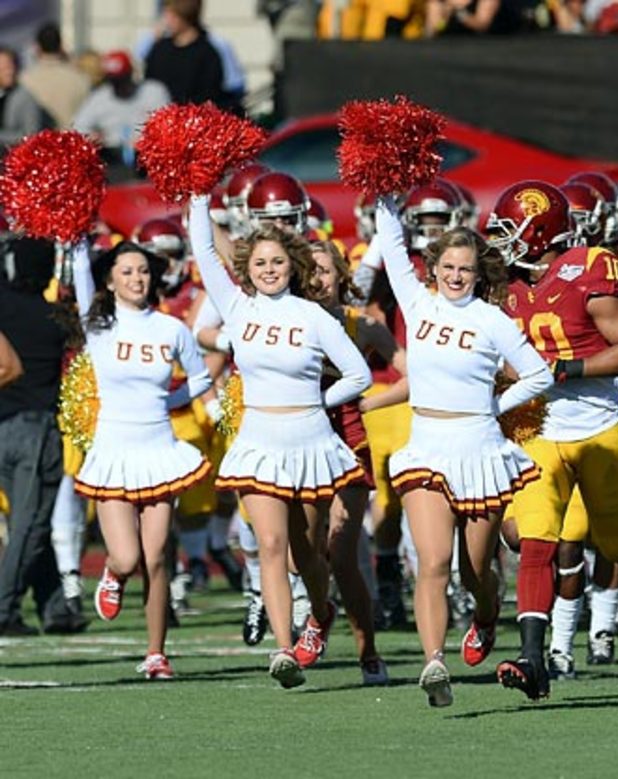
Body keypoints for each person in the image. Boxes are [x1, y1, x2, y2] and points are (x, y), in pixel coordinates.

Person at [486, 180, 618, 702]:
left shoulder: (588, 269)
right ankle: (534, 657)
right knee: (535, 541)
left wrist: (562, 368)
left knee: (617, 543)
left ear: (540, 232)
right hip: (537, 428)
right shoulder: (503, 285)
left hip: (596, 424)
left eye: (512, 231)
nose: (503, 243)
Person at [186, 193, 371, 689]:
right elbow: (204, 250)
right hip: (259, 442)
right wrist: (199, 194)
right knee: (268, 544)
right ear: (249, 267)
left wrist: (320, 402)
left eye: (278, 262)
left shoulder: (314, 317)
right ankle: (283, 647)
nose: (269, 270)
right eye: (261, 263)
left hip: (311, 443)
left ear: (293, 266)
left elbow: (359, 375)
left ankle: (321, 610)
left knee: (305, 551)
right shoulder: (237, 306)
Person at [374, 196, 551, 706]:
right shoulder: (417, 301)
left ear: (478, 273)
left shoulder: (492, 320)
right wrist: (387, 191)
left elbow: (538, 373)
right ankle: (434, 664)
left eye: (465, 269)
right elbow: (389, 245)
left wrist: (497, 404)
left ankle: (486, 615)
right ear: (433, 268)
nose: (455, 276)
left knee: (477, 572)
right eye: (448, 267)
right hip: (425, 446)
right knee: (432, 561)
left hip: (479, 449)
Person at [68, 241, 212, 679]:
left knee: (156, 558)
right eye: (126, 271)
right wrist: (74, 238)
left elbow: (202, 377)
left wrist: (167, 403)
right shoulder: (96, 327)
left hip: (159, 451)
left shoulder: (171, 330)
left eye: (143, 271)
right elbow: (78, 274)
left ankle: (156, 653)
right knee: (128, 558)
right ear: (110, 280)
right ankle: (113, 574)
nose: (136, 279)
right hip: (113, 451)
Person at [310, 239, 405, 687]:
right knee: (302, 555)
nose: (317, 279)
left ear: (342, 276)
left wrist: (370, 404)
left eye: (326, 270)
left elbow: (414, 374)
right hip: (294, 443)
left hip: (347, 437)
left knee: (342, 551)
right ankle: (319, 612)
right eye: (307, 270)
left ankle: (368, 651)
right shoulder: (279, 322)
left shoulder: (361, 325)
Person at [0, 238, 87, 636]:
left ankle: (54, 607)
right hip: (38, 430)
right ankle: (4, 607)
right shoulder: (55, 316)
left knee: (27, 520)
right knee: (30, 525)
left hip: (5, 428)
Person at [73, 51, 171, 178]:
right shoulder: (100, 97)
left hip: (149, 158)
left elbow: (169, 123)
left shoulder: (153, 92)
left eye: (122, 80)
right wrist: (92, 137)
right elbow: (78, 126)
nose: (119, 87)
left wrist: (150, 138)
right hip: (112, 159)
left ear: (131, 74)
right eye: (114, 82)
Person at [144, 0, 229, 109]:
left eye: (172, 16)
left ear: (184, 16)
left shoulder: (207, 54)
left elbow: (210, 95)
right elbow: (149, 86)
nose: (167, 21)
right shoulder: (159, 49)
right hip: (161, 118)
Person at [18, 23, 91, 130]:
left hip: (39, 144)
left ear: (37, 47)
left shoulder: (24, 79)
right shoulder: (81, 79)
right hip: (72, 142)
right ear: (61, 46)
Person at [0, 46, 48, 149]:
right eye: (3, 67)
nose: (9, 71)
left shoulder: (25, 98)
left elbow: (32, 135)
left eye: (11, 66)